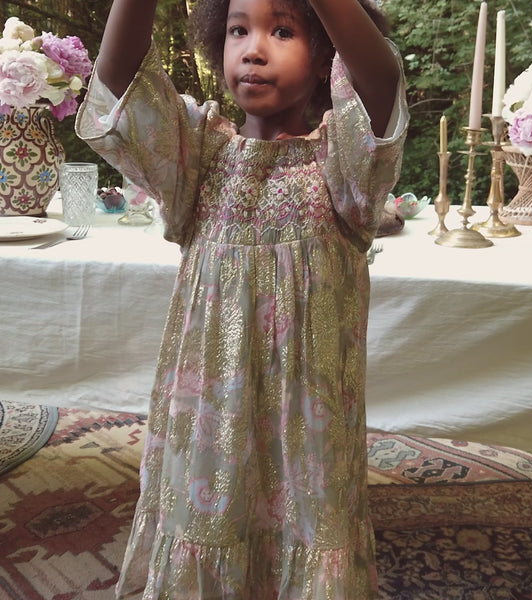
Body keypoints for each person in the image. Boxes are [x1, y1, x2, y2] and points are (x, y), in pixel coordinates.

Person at [76, 0, 408, 597]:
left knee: (308, 523)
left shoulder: (344, 168)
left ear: (326, 56)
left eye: (281, 31)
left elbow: (380, 79)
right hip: (209, 425)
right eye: (237, 30)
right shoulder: (196, 156)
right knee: (209, 521)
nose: (253, 49)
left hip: (308, 431)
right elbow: (119, 82)